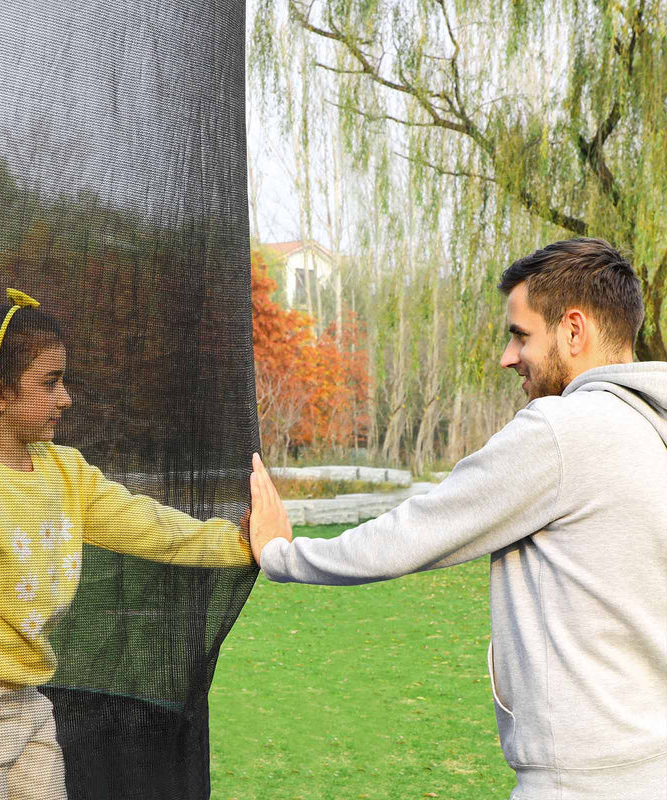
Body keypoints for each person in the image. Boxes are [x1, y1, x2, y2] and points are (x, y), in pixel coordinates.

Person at [248, 238, 667, 800]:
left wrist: (282, 554)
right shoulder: (652, 434)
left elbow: (414, 533)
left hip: (578, 785)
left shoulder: (561, 431)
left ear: (573, 330)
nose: (507, 357)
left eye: (521, 335)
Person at [0, 288, 252, 800]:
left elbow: (147, 525)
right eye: (50, 383)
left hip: (22, 696)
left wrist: (239, 542)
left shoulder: (66, 473)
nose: (65, 397)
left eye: (62, 381)